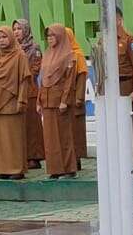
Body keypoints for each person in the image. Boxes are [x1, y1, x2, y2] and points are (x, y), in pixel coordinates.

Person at [0, 26, 30, 180]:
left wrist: (22, 99)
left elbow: (24, 80)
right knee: (0, 138)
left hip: (12, 100)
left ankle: (17, 169)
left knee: (14, 137)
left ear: (11, 38)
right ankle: (3, 168)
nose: (1, 41)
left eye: (4, 37)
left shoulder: (20, 55)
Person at [38, 23, 78, 179]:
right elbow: (42, 79)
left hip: (60, 101)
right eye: (48, 36)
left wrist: (65, 100)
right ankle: (55, 169)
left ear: (61, 36)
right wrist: (39, 101)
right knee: (50, 138)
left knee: (64, 136)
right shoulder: (47, 54)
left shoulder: (69, 55)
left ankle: (69, 169)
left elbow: (69, 81)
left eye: (53, 35)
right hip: (47, 100)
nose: (50, 39)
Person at [13, 19, 46, 170]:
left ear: (26, 30)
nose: (16, 32)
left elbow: (35, 69)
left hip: (30, 90)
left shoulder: (34, 48)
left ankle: (35, 156)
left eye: (19, 29)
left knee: (32, 125)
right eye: (14, 29)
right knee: (20, 125)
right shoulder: (12, 48)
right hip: (15, 91)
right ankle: (22, 156)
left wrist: (21, 77)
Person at [115, 8, 133, 168]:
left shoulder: (130, 40)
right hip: (110, 88)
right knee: (114, 124)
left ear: (119, 20)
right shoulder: (104, 41)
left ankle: (132, 160)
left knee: (130, 123)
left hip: (126, 84)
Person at [64, 27, 89, 170]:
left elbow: (82, 76)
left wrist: (79, 98)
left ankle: (77, 159)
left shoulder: (77, 55)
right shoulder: (60, 55)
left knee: (76, 130)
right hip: (64, 99)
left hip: (74, 99)